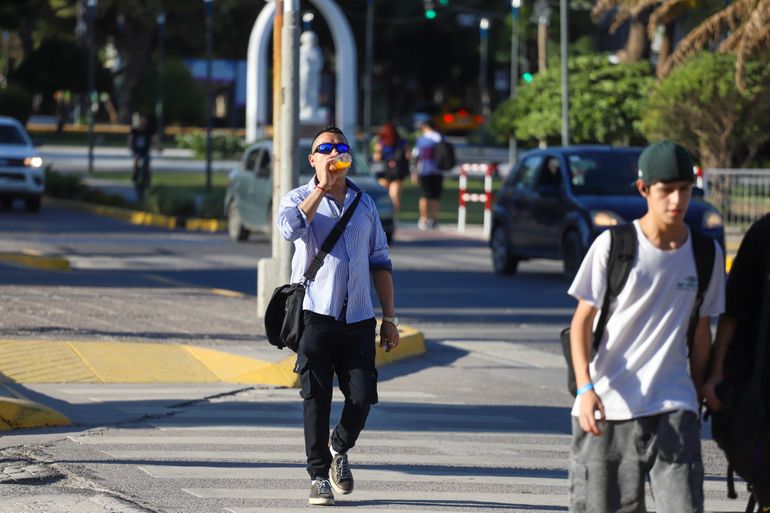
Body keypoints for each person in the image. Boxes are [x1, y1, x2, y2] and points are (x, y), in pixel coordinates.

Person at [567, 140, 725, 513]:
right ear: (644, 190)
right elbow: (580, 325)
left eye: (684, 190)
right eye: (666, 190)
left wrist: (705, 386)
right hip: (609, 405)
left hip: (675, 402)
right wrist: (586, 388)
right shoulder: (614, 246)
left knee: (684, 506)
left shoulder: (705, 254)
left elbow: (702, 332)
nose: (676, 200)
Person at [277, 125, 400, 506]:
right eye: (324, 148)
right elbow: (289, 229)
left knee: (362, 396)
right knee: (316, 397)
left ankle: (338, 446)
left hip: (359, 318)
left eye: (339, 147)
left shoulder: (364, 203)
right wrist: (320, 188)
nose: (333, 153)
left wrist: (390, 318)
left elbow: (380, 261)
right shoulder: (298, 197)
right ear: (313, 159)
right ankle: (318, 476)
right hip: (315, 314)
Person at [372, 122, 409, 218]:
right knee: (395, 196)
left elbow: (377, 157)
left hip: (384, 172)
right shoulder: (402, 142)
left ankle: (382, 217)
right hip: (398, 172)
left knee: (383, 196)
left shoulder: (381, 142)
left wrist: (379, 150)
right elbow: (408, 156)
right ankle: (393, 217)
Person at [411, 120, 443, 230]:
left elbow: (415, 156)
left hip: (424, 170)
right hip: (438, 170)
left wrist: (414, 172)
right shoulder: (441, 138)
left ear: (425, 127)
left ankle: (423, 219)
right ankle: (434, 220)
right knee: (435, 196)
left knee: (425, 196)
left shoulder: (421, 140)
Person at [129, 113, 152, 201]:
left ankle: (147, 181)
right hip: (137, 151)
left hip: (145, 152)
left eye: (144, 120)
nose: (143, 122)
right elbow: (130, 141)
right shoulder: (135, 130)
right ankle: (134, 177)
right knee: (136, 162)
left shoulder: (148, 130)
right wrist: (132, 149)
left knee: (147, 164)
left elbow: (154, 139)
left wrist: (158, 147)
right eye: (141, 120)